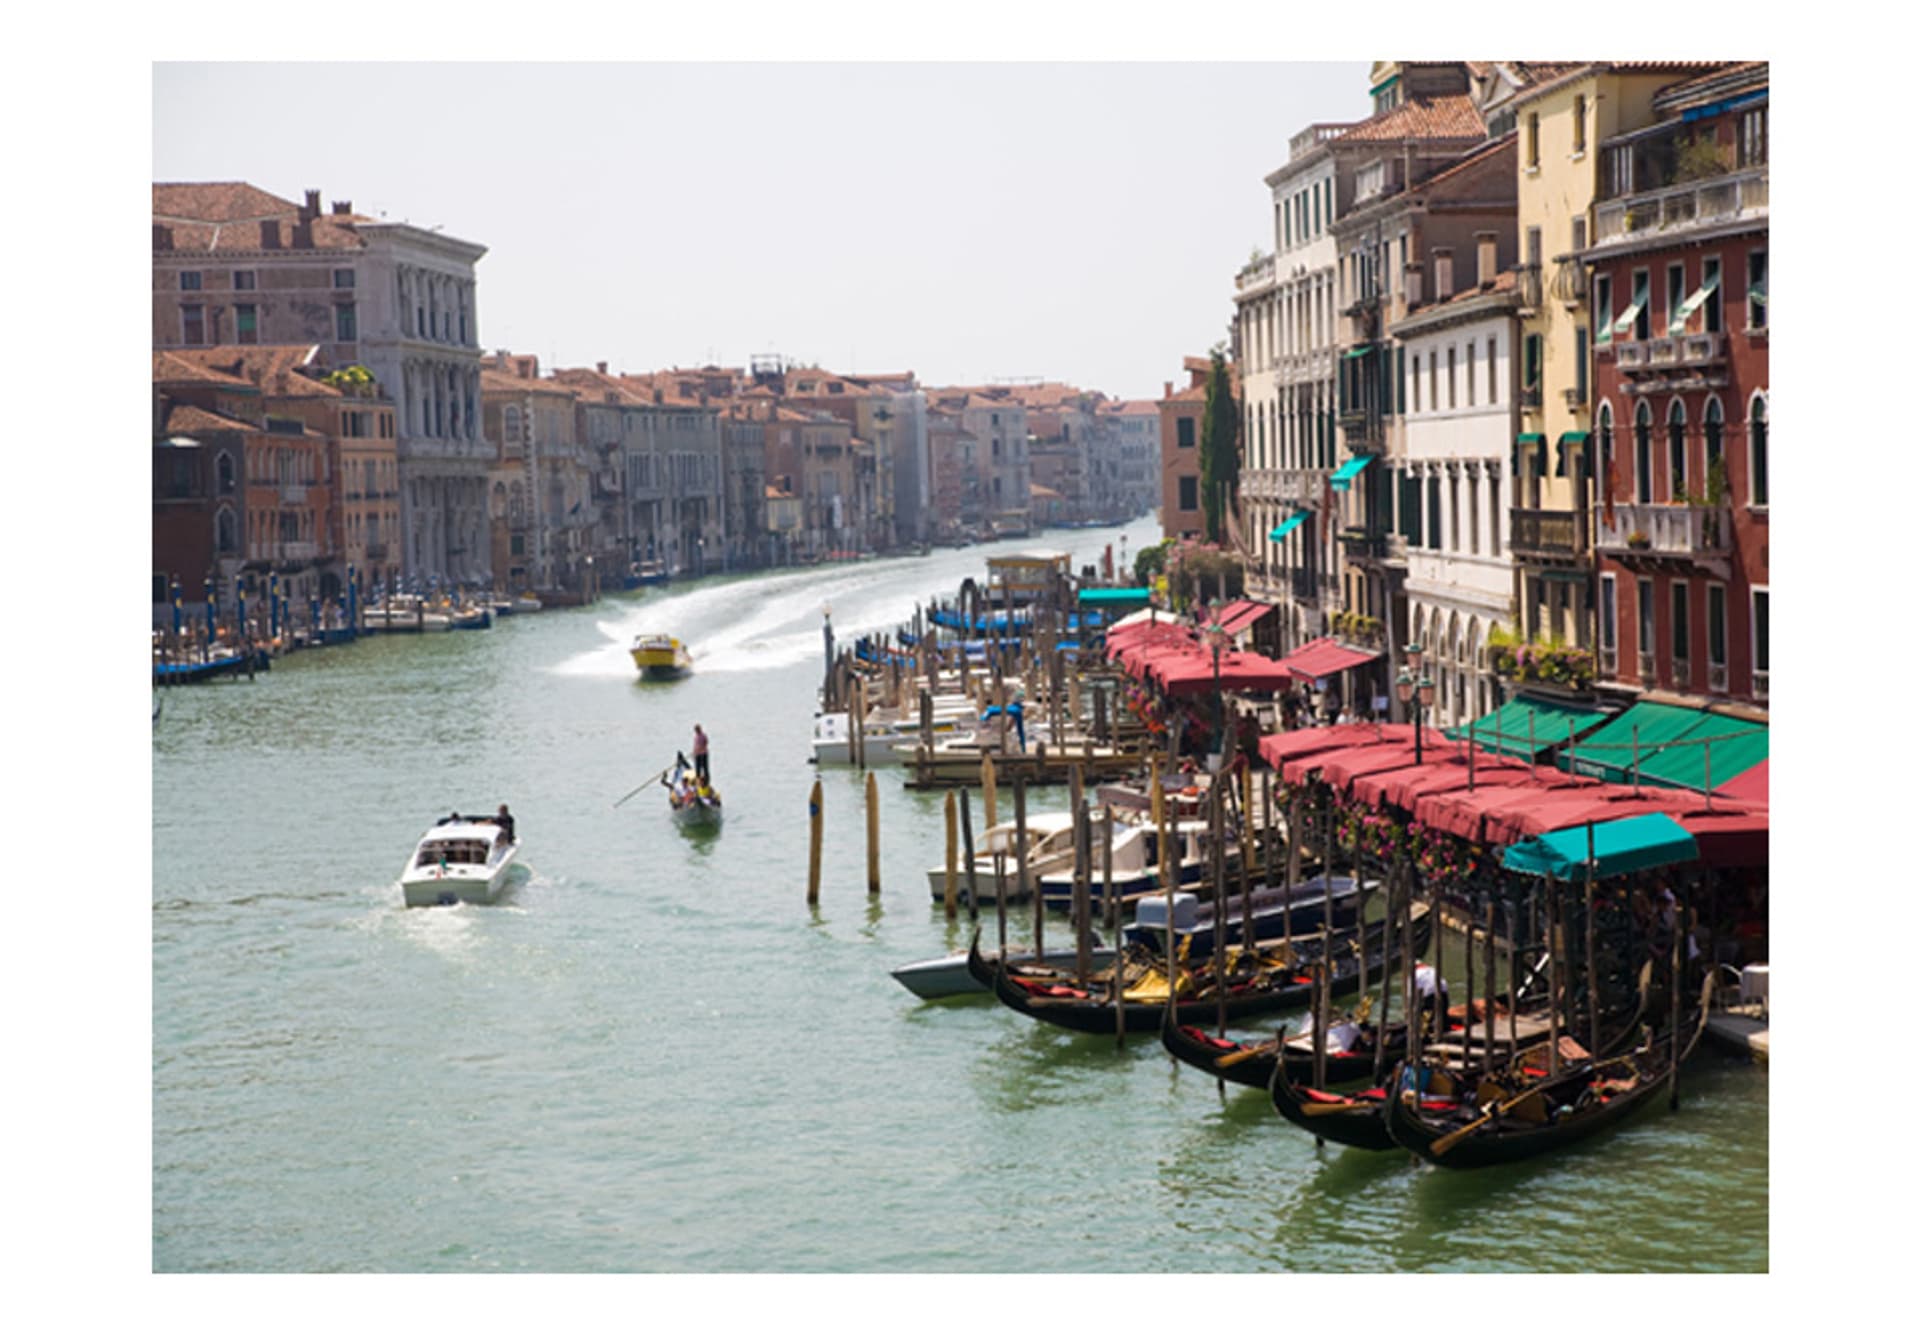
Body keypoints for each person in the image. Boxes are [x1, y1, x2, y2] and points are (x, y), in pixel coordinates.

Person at [1413, 961, 1451, 1039]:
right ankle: (1443, 1027)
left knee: (1425, 1017)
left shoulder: (1415, 974)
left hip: (1430, 995)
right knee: (1442, 1014)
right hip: (1444, 992)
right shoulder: (1432, 969)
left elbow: (1413, 994)